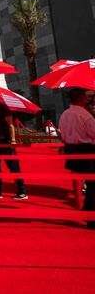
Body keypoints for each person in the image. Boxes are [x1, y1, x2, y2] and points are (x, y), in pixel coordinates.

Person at [58, 87, 95, 229]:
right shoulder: (84, 115)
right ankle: (90, 214)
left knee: (90, 184)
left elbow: (62, 134)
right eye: (85, 97)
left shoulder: (65, 114)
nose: (87, 99)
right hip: (88, 151)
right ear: (81, 98)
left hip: (72, 150)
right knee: (93, 186)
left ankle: (88, 210)